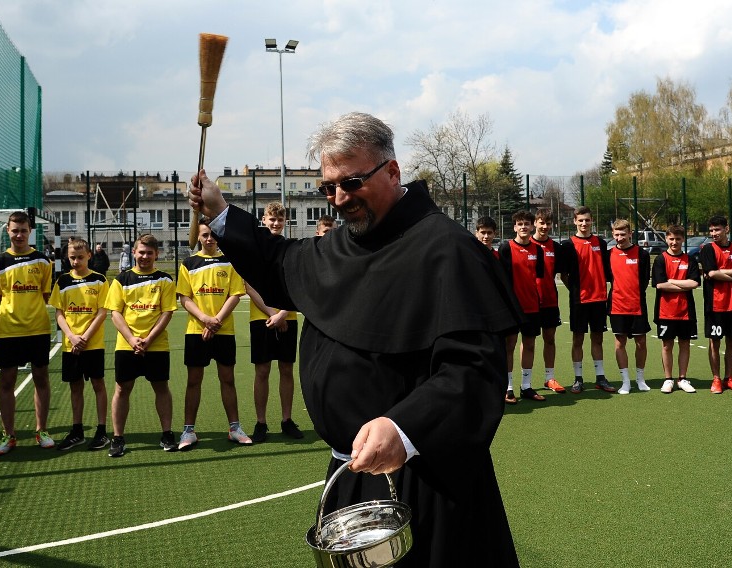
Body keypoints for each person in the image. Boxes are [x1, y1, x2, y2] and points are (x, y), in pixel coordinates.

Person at [189, 112, 522, 567]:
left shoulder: (447, 249)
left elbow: (475, 372)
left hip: (423, 475)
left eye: (351, 182)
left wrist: (404, 428)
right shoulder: (343, 244)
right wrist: (220, 210)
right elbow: (280, 263)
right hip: (349, 475)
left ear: (392, 171)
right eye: (329, 187)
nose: (339, 199)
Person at [176, 219, 251, 450]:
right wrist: (206, 320)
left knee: (227, 379)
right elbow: (185, 298)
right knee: (193, 381)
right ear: (198, 236)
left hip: (224, 330)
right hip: (196, 331)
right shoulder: (188, 263)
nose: (210, 239)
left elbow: (235, 294)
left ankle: (235, 428)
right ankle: (188, 431)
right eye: (205, 235)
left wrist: (216, 320)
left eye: (213, 235)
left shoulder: (229, 262)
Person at [104, 234, 178, 457]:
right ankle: (118, 438)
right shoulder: (121, 280)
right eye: (141, 252)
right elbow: (115, 313)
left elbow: (166, 313)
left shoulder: (164, 280)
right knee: (122, 389)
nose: (144, 256)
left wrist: (148, 339)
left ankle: (167, 434)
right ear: (133, 253)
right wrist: (132, 339)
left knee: (161, 387)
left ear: (157, 254)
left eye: (149, 253)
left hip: (156, 345)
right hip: (127, 345)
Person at [0, 210, 54, 455]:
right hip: (8, 331)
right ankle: (9, 435)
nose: (19, 235)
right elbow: (0, 297)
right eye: (14, 230)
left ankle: (42, 431)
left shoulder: (42, 261)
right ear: (8, 230)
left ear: (30, 232)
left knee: (41, 378)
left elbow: (47, 296)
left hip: (37, 329)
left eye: (23, 230)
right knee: (6, 381)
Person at [245, 202, 304, 443]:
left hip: (287, 318)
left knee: (287, 370)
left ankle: (287, 420)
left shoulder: (292, 249)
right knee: (262, 371)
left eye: (280, 219)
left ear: (285, 221)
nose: (276, 223)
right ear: (263, 220)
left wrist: (283, 313)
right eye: (272, 219)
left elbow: (299, 286)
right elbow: (249, 286)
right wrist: (272, 313)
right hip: (262, 319)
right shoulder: (254, 250)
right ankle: (261, 423)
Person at [50, 238, 110, 450]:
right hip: (71, 345)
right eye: (72, 258)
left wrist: (84, 337)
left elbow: (103, 312)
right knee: (76, 387)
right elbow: (59, 313)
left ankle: (102, 431)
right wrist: (72, 337)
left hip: (92, 344)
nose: (76, 261)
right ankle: (77, 431)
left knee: (98, 385)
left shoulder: (100, 280)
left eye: (80, 257)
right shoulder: (62, 282)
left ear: (89, 256)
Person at [560, 206, 616, 393]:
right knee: (578, 340)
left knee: (597, 339)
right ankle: (578, 379)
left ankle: (600, 377)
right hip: (579, 300)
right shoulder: (568, 245)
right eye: (581, 220)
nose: (584, 223)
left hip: (599, 299)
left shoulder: (600, 242)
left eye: (587, 220)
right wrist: (576, 290)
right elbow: (564, 275)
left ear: (592, 221)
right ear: (575, 221)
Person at [498, 210, 546, 404]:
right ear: (514, 227)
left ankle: (526, 386)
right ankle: (508, 388)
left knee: (530, 344)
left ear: (532, 226)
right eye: (520, 224)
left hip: (532, 305)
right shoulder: (505, 248)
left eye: (527, 223)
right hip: (511, 307)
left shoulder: (538, 250)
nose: (524, 227)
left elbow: (539, 277)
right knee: (509, 345)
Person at [700, 216, 732, 393]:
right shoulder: (707, 249)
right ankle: (716, 379)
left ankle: (729, 378)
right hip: (714, 304)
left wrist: (720, 273)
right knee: (715, 342)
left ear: (726, 229)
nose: (714, 234)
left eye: (717, 230)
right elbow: (711, 274)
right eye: (711, 230)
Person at [652, 225, 700, 393]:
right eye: (671, 239)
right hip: (665, 311)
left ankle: (682, 378)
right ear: (666, 239)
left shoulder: (690, 260)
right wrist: (683, 285)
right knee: (667, 345)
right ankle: (668, 379)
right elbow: (659, 285)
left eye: (678, 239)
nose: (674, 242)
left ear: (683, 240)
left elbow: (694, 283)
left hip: (686, 311)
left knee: (685, 344)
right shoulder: (660, 260)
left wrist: (672, 281)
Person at [607, 219, 651, 394]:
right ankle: (625, 381)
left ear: (630, 233)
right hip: (617, 306)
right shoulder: (608, 254)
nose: (619, 238)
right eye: (616, 234)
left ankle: (640, 379)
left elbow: (644, 280)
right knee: (620, 343)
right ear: (612, 234)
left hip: (637, 305)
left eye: (623, 234)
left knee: (641, 343)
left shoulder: (642, 254)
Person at [530, 208, 566, 394]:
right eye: (541, 222)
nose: (544, 226)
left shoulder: (556, 248)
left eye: (548, 223)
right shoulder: (527, 245)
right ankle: (525, 382)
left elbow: (562, 275)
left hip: (550, 301)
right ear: (535, 223)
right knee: (528, 342)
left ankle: (549, 378)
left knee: (549, 339)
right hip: (529, 302)